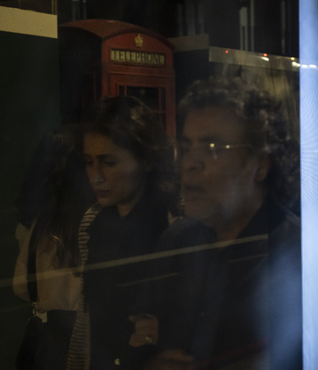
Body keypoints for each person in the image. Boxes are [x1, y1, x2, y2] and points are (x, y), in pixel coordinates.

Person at [128, 77, 302, 370]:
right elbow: (137, 335)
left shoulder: (299, 254)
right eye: (185, 147)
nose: (189, 163)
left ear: (259, 164)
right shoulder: (176, 242)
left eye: (212, 147)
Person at [67, 96, 176, 370]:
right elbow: (87, 315)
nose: (96, 176)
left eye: (109, 163)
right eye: (89, 162)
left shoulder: (173, 224)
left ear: (146, 161)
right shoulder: (92, 222)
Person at [13, 126, 93, 370]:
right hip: (88, 337)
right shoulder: (98, 226)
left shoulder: (39, 225)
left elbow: (21, 287)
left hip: (47, 338)